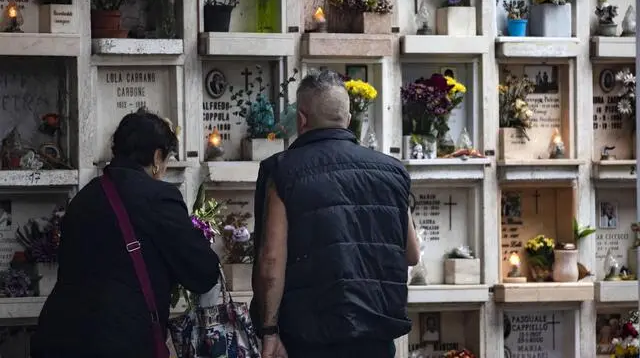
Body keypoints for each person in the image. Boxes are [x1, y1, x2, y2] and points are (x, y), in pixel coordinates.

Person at [250, 69, 421, 358]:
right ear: (349, 120)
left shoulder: (284, 172)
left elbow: (271, 260)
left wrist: (269, 331)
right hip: (376, 336)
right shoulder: (392, 172)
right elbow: (412, 254)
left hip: (308, 337)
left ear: (302, 120)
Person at [30, 111, 221, 358]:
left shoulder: (83, 198)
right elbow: (203, 273)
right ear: (156, 157)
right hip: (119, 341)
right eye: (167, 159)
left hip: (56, 338)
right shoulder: (158, 197)